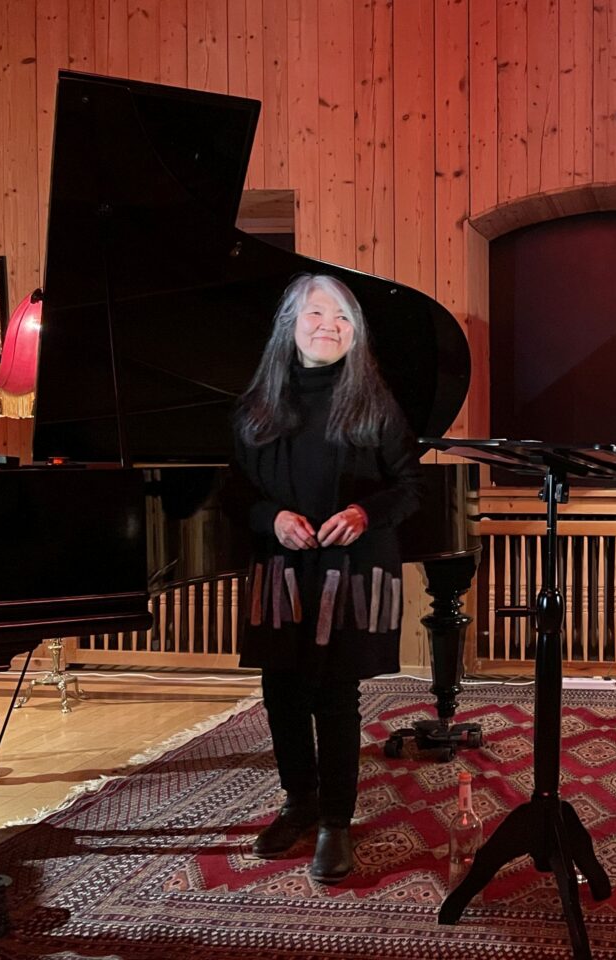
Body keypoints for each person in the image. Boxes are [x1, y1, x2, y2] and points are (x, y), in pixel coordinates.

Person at [232, 273, 422, 883]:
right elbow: (234, 491)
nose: (330, 327)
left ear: (355, 332)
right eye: (317, 314)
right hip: (281, 567)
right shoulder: (257, 405)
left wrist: (365, 513)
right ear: (290, 325)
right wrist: (272, 517)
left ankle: (336, 824)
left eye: (343, 318)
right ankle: (300, 802)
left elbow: (408, 488)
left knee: (336, 699)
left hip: (351, 569)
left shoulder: (375, 402)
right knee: (282, 693)